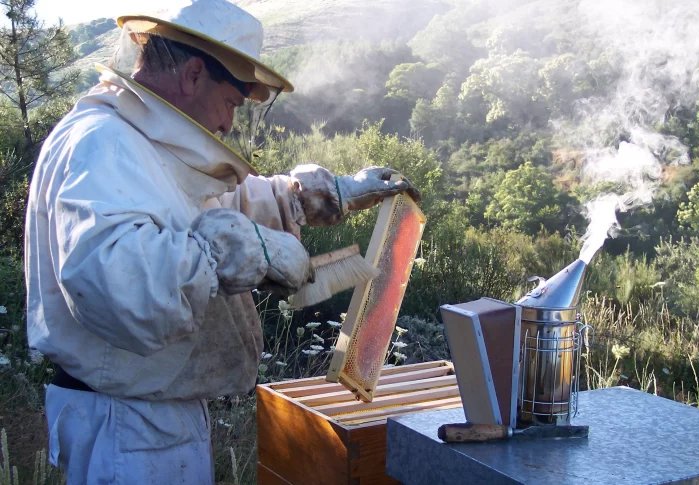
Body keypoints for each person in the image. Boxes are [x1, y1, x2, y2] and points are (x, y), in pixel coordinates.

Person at [24, 1, 419, 483]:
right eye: (232, 102)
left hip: (151, 412)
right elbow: (116, 281)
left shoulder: (146, 144)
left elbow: (221, 205)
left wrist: (330, 193)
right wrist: (237, 250)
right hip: (125, 426)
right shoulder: (102, 142)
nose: (229, 123)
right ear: (194, 74)